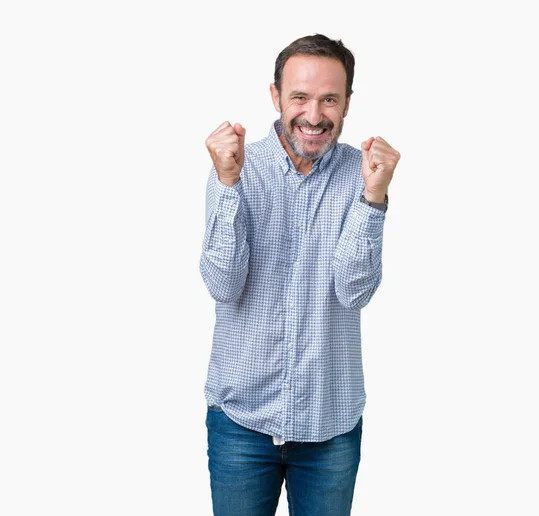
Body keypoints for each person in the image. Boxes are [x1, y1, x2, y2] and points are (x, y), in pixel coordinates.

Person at [199, 33, 400, 516]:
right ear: (275, 96)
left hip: (329, 424)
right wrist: (228, 185)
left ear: (347, 103)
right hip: (241, 421)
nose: (314, 115)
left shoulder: (363, 173)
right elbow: (222, 285)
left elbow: (354, 292)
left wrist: (374, 199)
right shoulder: (236, 167)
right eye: (300, 97)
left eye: (329, 98)